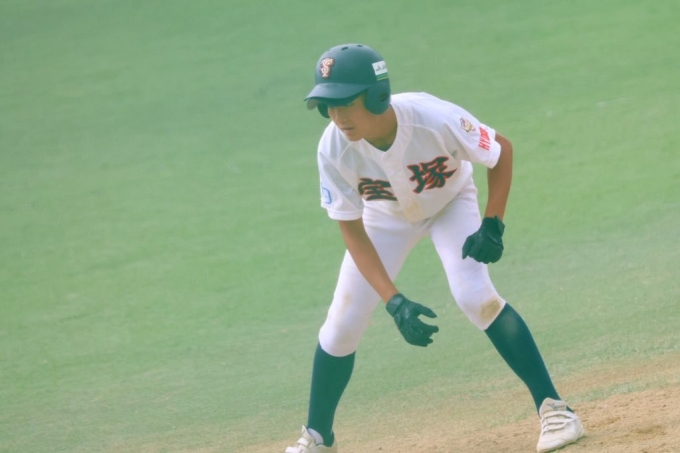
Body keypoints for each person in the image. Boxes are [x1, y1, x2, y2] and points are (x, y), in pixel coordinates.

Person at [284, 43, 585, 453]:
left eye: (346, 102)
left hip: (450, 203)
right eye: (329, 105)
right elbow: (352, 231)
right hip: (384, 218)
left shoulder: (432, 118)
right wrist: (394, 302)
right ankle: (319, 438)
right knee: (341, 325)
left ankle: (557, 411)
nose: (338, 116)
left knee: (475, 296)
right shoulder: (333, 147)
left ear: (377, 96)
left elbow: (500, 151)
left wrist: (493, 223)